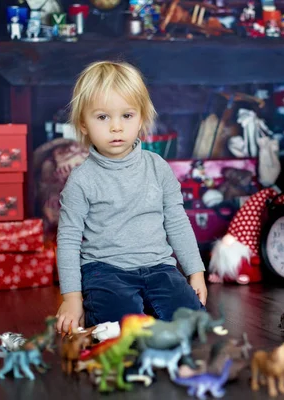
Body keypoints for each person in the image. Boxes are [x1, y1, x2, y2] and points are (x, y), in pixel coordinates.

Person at [55, 61, 207, 334]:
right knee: (115, 328)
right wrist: (72, 299)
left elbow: (176, 221)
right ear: (83, 124)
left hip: (159, 266)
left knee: (192, 322)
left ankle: (149, 313)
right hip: (106, 270)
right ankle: (130, 313)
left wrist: (195, 272)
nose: (116, 127)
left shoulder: (158, 167)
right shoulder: (81, 180)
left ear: (141, 119)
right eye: (102, 117)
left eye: (126, 116)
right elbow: (67, 240)